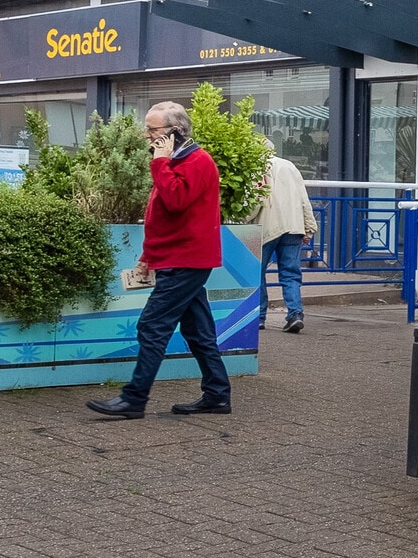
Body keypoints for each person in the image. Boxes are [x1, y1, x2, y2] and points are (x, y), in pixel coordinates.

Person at [88, 101, 230, 419]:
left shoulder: (196, 161)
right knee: (198, 331)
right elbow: (162, 219)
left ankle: (134, 400)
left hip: (187, 261)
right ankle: (218, 395)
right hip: (179, 258)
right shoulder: (175, 161)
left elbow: (176, 200)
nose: (146, 136)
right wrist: (146, 258)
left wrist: (160, 164)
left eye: (152, 130)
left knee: (152, 325)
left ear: (174, 133)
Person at [254, 140, 316, 334]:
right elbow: (303, 198)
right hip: (293, 226)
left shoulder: (256, 167)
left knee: (257, 273)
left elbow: (255, 201)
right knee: (291, 274)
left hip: (267, 227)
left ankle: (259, 317)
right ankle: (295, 314)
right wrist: (309, 227)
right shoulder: (289, 166)